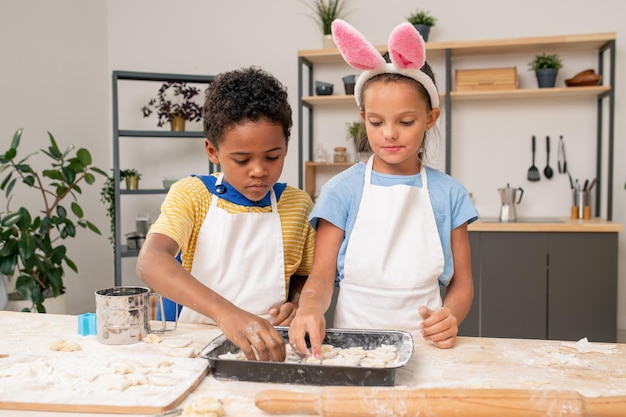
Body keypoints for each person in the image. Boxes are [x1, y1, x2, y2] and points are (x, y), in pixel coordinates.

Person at [289, 20, 479, 358]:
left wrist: (451, 316)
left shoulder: (450, 194)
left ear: (430, 118)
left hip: (427, 347)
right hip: (353, 349)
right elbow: (319, 276)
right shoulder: (341, 191)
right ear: (363, 117)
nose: (389, 134)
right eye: (376, 122)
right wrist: (309, 308)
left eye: (405, 122)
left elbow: (462, 282)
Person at [137, 67, 316, 362]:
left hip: (267, 347)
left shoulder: (297, 205)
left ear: (286, 146)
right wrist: (226, 314)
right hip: (193, 347)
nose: (259, 170)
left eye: (273, 156)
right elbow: (150, 262)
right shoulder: (192, 195)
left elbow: (304, 274)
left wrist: (295, 302)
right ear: (212, 151)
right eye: (242, 159)